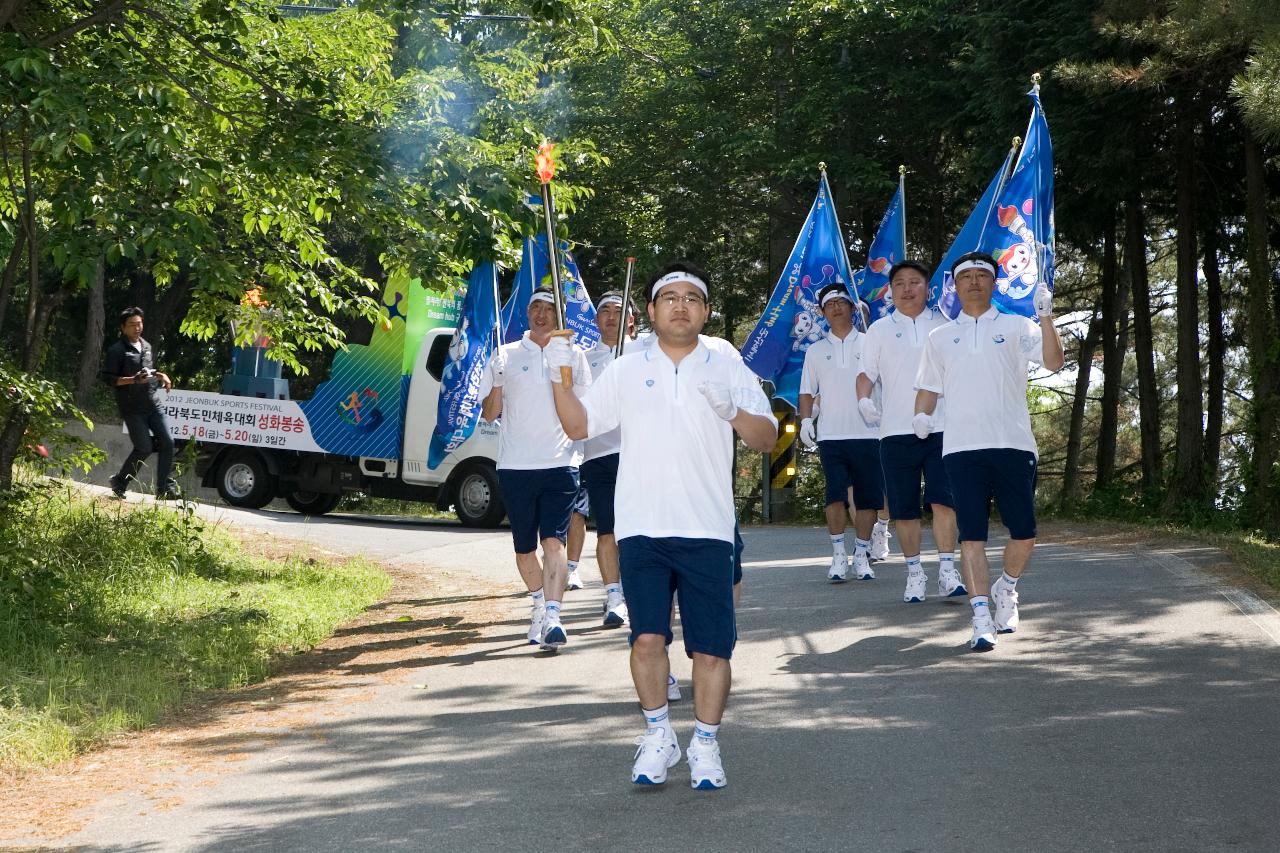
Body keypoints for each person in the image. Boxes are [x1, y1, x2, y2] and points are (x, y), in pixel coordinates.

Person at [546, 261, 777, 790]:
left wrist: (732, 412)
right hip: (643, 526)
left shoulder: (725, 360)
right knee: (647, 639)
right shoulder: (627, 368)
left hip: (708, 528)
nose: (680, 305)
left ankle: (705, 743)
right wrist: (557, 378)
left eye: (691, 297)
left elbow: (765, 438)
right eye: (668, 297)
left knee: (711, 649)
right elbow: (580, 425)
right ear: (649, 311)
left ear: (706, 310)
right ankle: (657, 735)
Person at [913, 251, 1064, 650]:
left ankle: (1007, 588)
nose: (975, 282)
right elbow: (929, 386)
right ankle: (980, 617)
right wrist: (921, 416)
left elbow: (1053, 361)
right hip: (961, 448)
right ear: (955, 286)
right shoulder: (940, 337)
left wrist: (1046, 316)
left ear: (994, 283)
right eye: (967, 277)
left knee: (1025, 533)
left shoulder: (1017, 325)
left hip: (1013, 444)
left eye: (983, 275)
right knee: (971, 536)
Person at [480, 286, 590, 652]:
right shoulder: (505, 354)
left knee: (553, 542)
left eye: (549, 308)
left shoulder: (573, 355)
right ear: (527, 314)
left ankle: (555, 617)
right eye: (535, 308)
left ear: (559, 316)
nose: (541, 314)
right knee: (525, 550)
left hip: (561, 463)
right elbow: (490, 413)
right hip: (515, 465)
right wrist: (496, 382)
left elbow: (585, 409)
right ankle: (540, 606)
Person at [857, 261, 964, 603]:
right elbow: (865, 374)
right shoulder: (878, 330)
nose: (907, 288)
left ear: (928, 288)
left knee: (944, 500)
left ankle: (947, 571)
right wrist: (863, 400)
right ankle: (915, 573)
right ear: (890, 290)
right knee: (904, 508)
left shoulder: (946, 324)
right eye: (899, 283)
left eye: (914, 282)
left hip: (942, 426)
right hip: (895, 430)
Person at [797, 283, 883, 583]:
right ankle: (837, 555)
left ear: (852, 308)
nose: (835, 307)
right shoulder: (816, 351)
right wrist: (807, 421)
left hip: (869, 433)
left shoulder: (872, 343)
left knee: (869, 499)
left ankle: (861, 554)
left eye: (841, 302)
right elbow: (807, 391)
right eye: (829, 304)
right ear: (822, 312)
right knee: (835, 496)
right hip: (831, 435)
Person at [576, 289, 635, 628]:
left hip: (640, 453)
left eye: (618, 311)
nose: (611, 317)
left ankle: (636, 589)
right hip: (599, 455)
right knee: (608, 532)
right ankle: (614, 597)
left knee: (637, 530)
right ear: (596, 320)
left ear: (631, 319)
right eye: (605, 312)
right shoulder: (584, 358)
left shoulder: (645, 352)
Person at [101, 307, 179, 500]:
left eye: (139, 324)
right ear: (123, 328)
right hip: (132, 408)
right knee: (144, 448)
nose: (137, 328)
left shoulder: (146, 346)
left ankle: (164, 489)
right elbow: (110, 379)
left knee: (168, 442)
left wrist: (161, 375)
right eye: (132, 325)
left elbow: (147, 372)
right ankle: (120, 481)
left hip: (152, 404)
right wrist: (133, 379)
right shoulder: (117, 350)